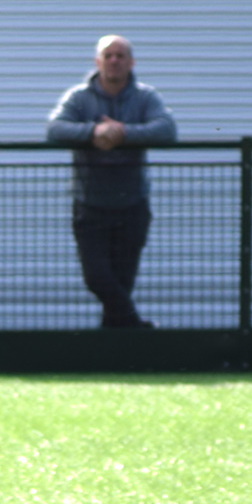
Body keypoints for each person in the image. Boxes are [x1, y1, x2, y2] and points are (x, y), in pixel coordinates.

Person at [48, 34, 175, 329]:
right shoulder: (79, 97)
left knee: (122, 280)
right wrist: (94, 133)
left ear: (131, 63)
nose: (114, 61)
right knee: (97, 277)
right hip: (90, 205)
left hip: (132, 203)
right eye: (108, 56)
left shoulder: (146, 96)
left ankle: (115, 348)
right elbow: (55, 129)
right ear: (98, 62)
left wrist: (122, 134)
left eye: (120, 56)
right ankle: (133, 325)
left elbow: (167, 129)